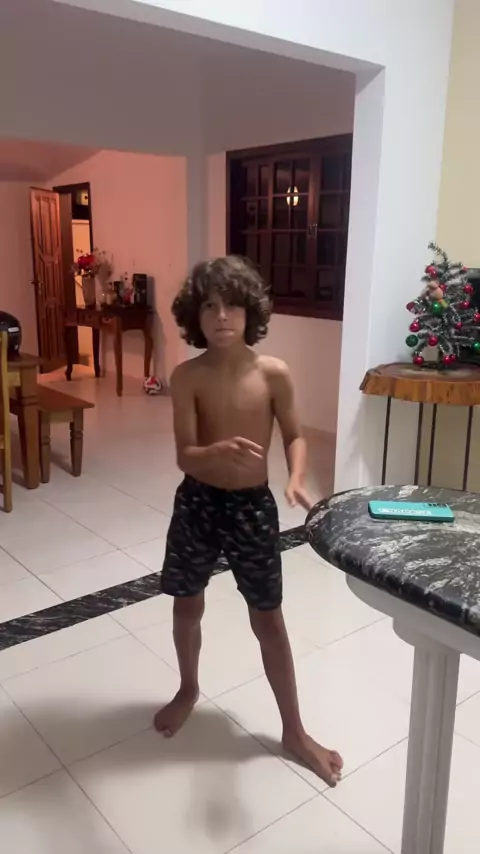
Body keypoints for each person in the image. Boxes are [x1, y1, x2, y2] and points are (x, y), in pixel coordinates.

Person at [154, 256, 343, 787]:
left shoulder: (272, 373)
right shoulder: (187, 376)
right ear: (195, 315)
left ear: (250, 312)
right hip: (197, 503)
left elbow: (294, 434)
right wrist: (214, 451)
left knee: (269, 619)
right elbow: (185, 455)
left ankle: (294, 730)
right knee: (186, 603)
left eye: (232, 305)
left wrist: (297, 476)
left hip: (252, 508)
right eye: (210, 306)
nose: (221, 316)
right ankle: (189, 687)